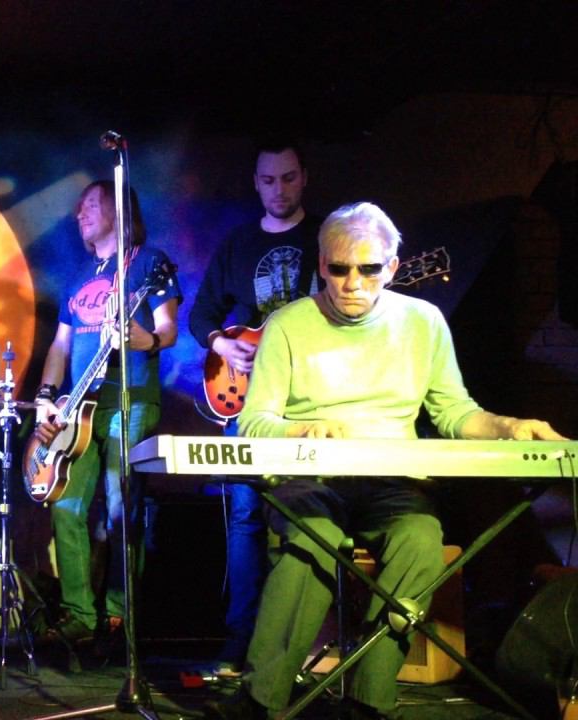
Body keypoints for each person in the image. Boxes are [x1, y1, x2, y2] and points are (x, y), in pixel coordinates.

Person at [205, 202, 567, 720]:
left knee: (419, 541)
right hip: (311, 479)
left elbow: (453, 411)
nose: (353, 283)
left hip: (393, 483)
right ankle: (262, 698)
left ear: (393, 267)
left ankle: (368, 703)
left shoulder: (424, 322)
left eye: (369, 269)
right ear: (321, 263)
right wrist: (303, 429)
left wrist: (509, 427)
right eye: (338, 269)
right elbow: (256, 422)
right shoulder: (286, 325)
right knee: (311, 538)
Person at [187, 141, 321, 674]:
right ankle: (241, 638)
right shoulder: (238, 243)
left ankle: (294, 641)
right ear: (256, 183)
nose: (278, 189)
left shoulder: (325, 239)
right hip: (244, 399)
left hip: (307, 399)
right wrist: (222, 344)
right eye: (268, 180)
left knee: (304, 513)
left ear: (304, 177)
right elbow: (200, 315)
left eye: (288, 178)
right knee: (244, 517)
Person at [34, 180, 181, 646]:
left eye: (92, 205)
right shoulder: (78, 276)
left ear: (119, 209)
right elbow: (60, 345)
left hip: (128, 399)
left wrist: (146, 340)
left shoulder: (149, 262)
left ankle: (120, 617)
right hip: (79, 408)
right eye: (79, 209)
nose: (80, 214)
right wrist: (46, 395)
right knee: (65, 503)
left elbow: (169, 329)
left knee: (121, 507)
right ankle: (79, 615)